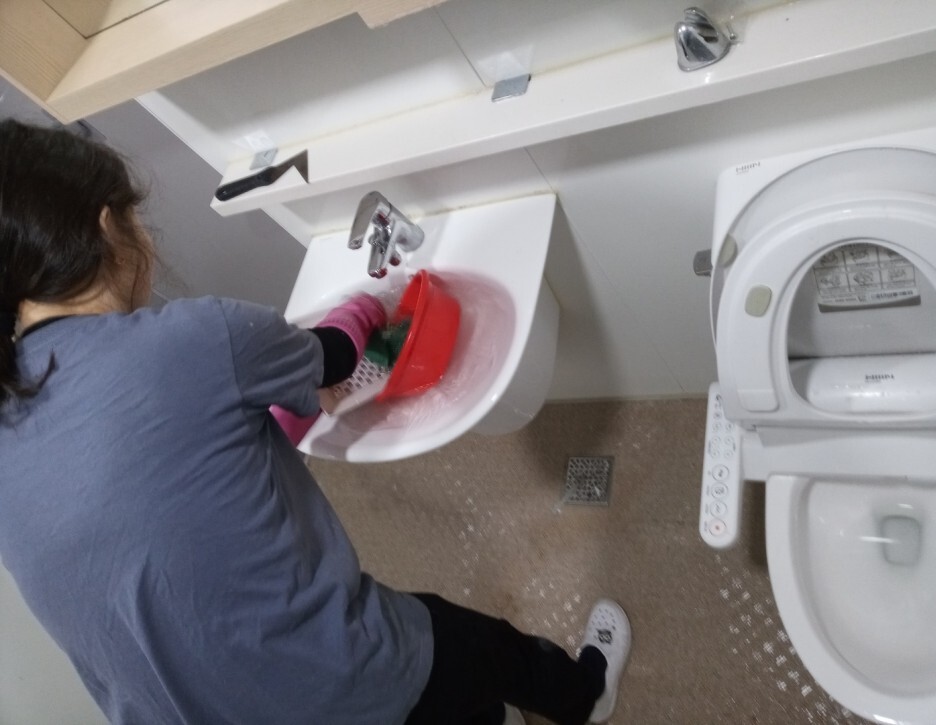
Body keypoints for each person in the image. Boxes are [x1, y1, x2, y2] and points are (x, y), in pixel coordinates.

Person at [0, 118, 631, 725]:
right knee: (481, 651)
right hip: (333, 682)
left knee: (449, 694)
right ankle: (587, 694)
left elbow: (157, 491)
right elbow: (336, 356)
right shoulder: (195, 338)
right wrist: (365, 306)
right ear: (108, 226)